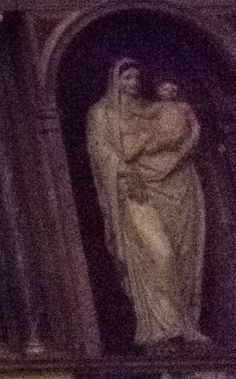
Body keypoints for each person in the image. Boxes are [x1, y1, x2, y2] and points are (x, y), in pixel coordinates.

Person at [85, 57, 209, 346]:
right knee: (160, 255)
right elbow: (101, 150)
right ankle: (160, 326)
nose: (133, 84)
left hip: (175, 184)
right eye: (126, 78)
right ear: (115, 80)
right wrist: (125, 170)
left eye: (136, 78)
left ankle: (185, 324)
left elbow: (182, 132)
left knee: (181, 255)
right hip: (133, 191)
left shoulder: (152, 109)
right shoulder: (101, 113)